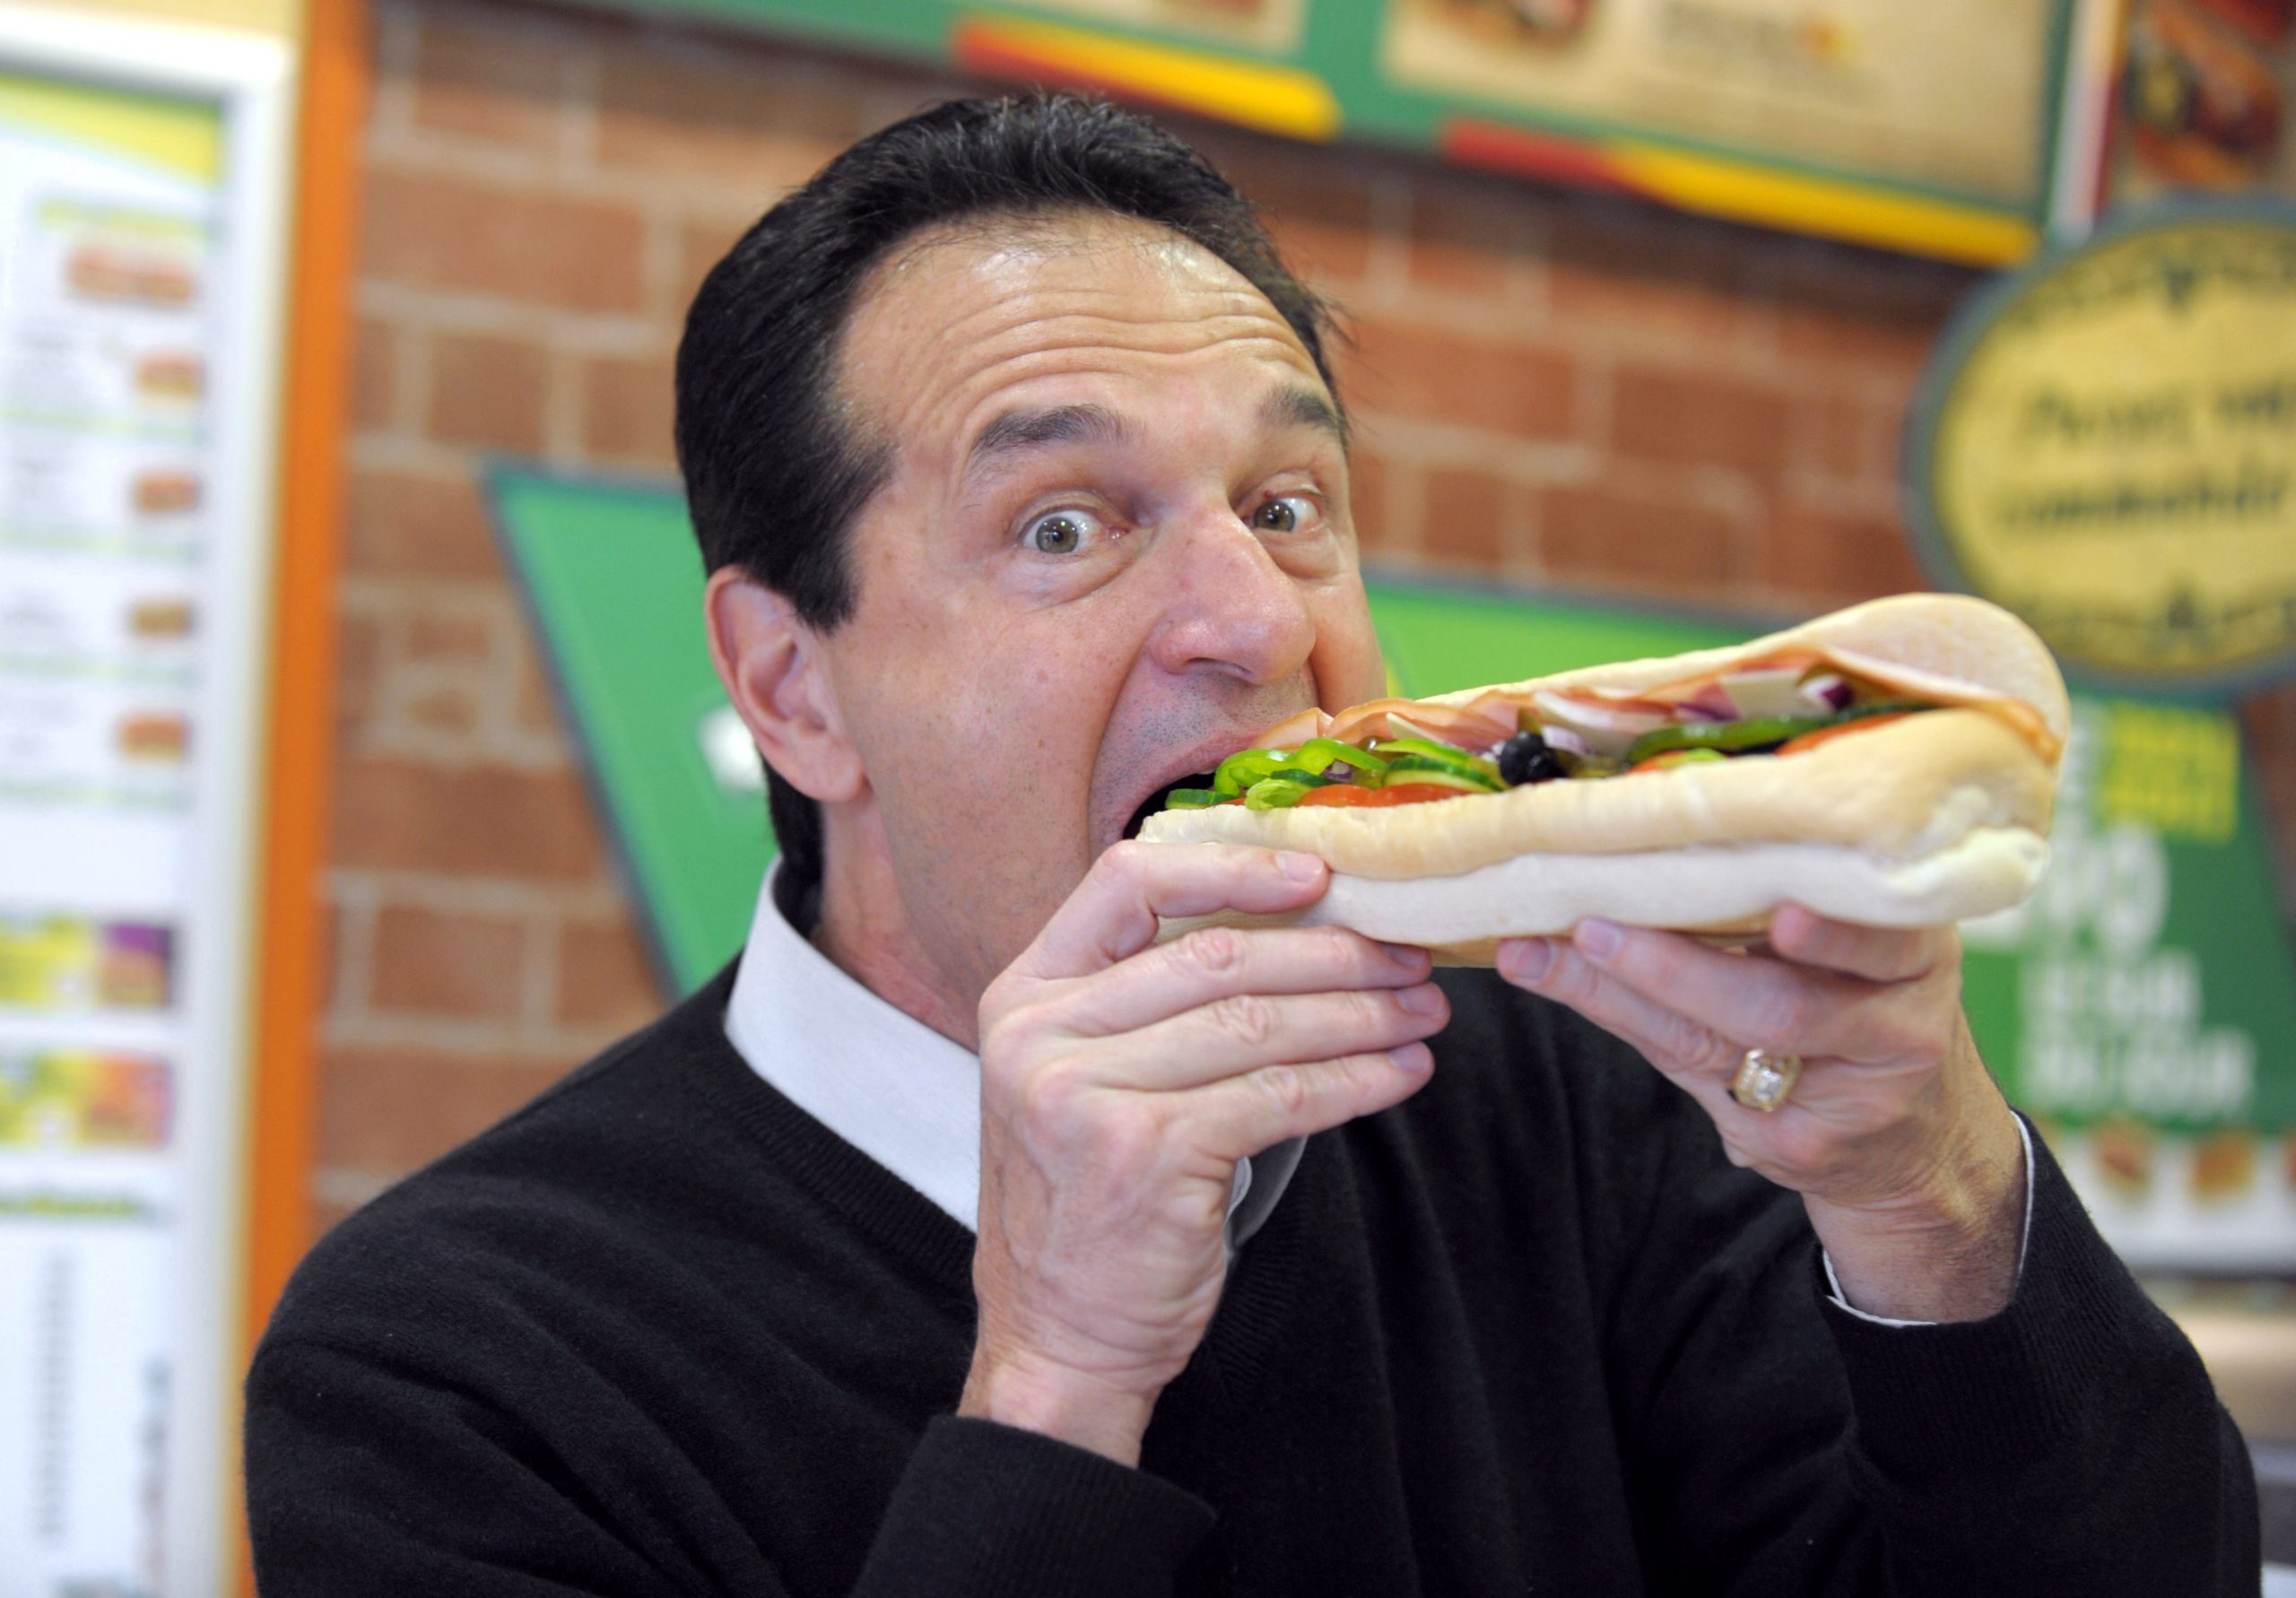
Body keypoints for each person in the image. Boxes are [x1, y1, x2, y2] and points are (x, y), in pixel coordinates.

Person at [244, 93, 2257, 1595]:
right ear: (791, 688)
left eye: (1288, 504)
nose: (1257, 624)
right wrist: (1054, 1386)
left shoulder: (1587, 1100)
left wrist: (1922, 1202)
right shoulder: (444, 1363)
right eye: (1065, 527)